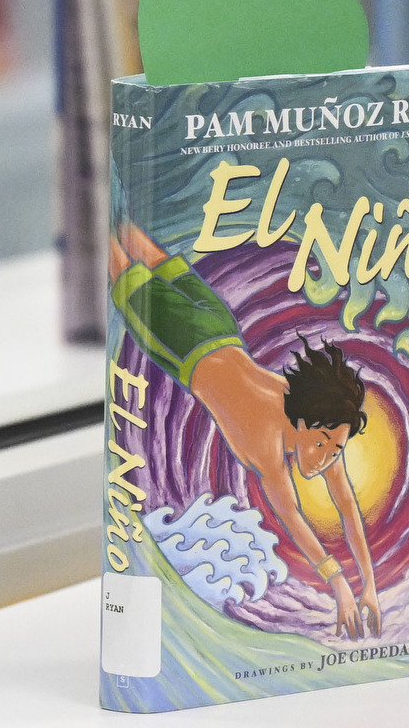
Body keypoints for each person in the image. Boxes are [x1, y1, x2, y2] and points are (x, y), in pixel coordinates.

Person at [111, 222, 384, 635]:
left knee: (130, 233)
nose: (327, 457)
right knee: (113, 260)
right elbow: (291, 516)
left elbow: (348, 507)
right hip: (180, 338)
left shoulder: (315, 421)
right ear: (306, 422)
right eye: (325, 443)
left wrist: (371, 586)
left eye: (336, 449)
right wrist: (340, 584)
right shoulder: (267, 444)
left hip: (219, 322)